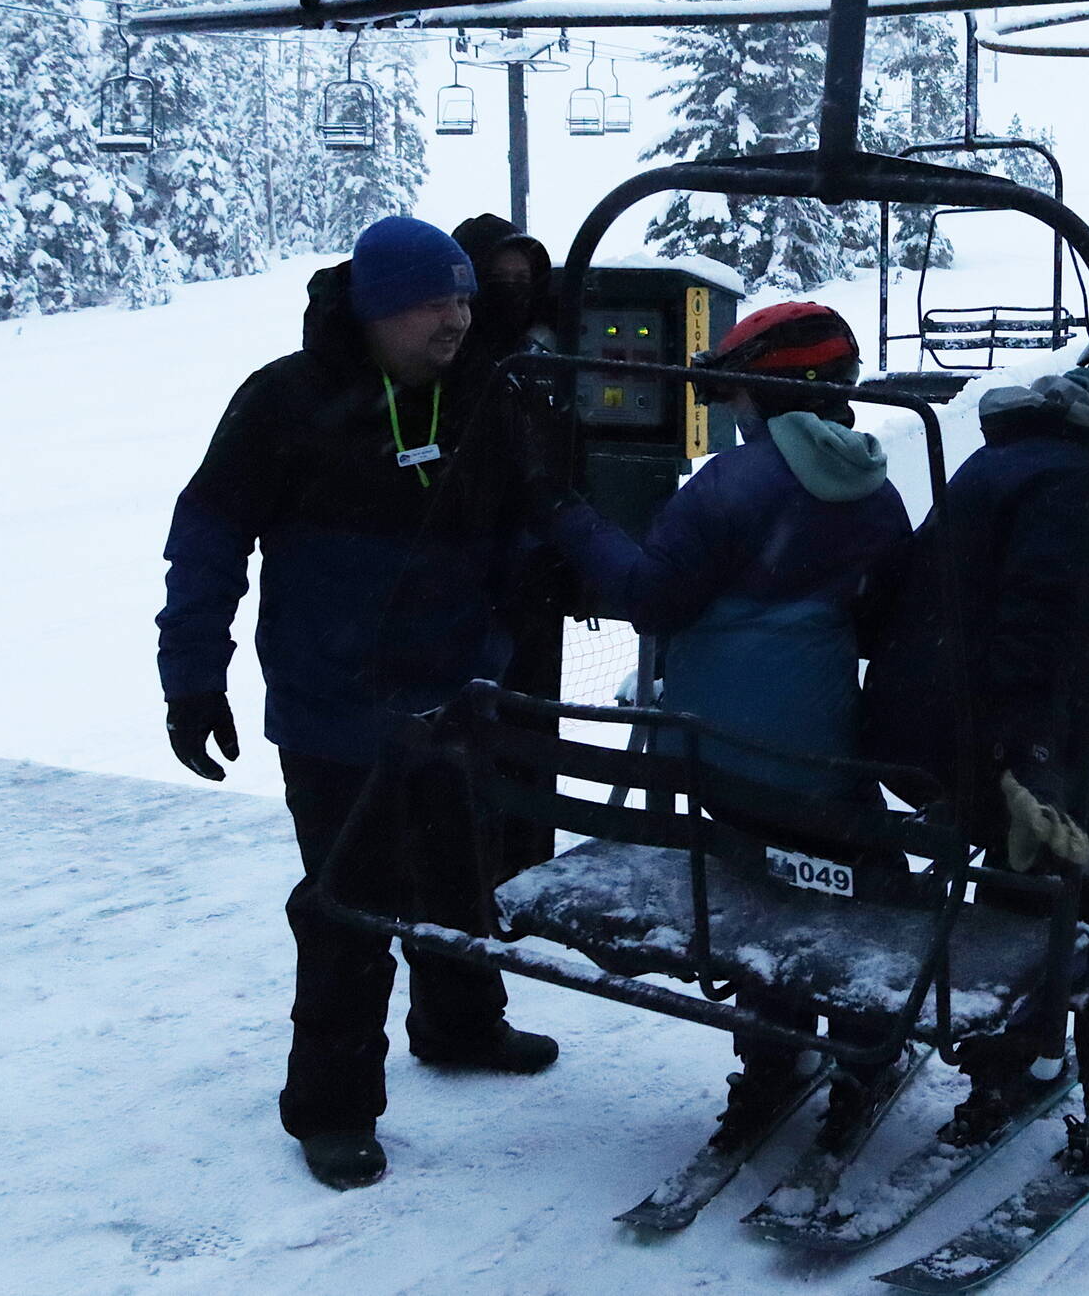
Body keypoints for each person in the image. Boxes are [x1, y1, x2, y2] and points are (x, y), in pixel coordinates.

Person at [157, 216, 573, 1191]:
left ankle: (461, 1025)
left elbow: (523, 532)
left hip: (454, 700)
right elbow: (207, 540)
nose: (458, 319)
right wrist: (191, 680)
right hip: (332, 710)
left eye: (466, 299)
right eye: (438, 300)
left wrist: (501, 639)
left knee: (459, 874)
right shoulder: (284, 402)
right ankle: (331, 1109)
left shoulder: (483, 396)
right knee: (351, 907)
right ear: (382, 308)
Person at [861, 308, 1089, 1170]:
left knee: (1024, 865)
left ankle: (1007, 1067)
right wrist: (1026, 762)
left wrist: (1079, 709)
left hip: (920, 720)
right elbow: (1026, 634)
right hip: (978, 731)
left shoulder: (1016, 454)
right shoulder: (1076, 482)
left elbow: (998, 616)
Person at [552, 301, 913, 1146]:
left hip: (718, 757)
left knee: (757, 885)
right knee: (861, 884)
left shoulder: (728, 487)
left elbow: (649, 597)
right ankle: (863, 1053)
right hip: (821, 761)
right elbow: (884, 619)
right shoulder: (875, 490)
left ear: (763, 392)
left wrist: (571, 519)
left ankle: (769, 1062)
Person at [451, 212, 558, 360]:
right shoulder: (440, 359)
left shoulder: (540, 356)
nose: (510, 289)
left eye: (522, 278)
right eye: (496, 277)